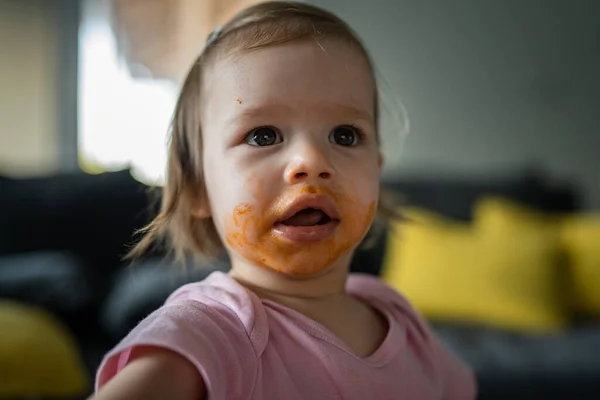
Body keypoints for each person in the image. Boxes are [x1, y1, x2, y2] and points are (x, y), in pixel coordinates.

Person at [91, 1, 477, 399]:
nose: (311, 161)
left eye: (345, 135)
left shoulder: (398, 316)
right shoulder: (209, 334)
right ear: (197, 188)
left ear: (376, 171)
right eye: (263, 135)